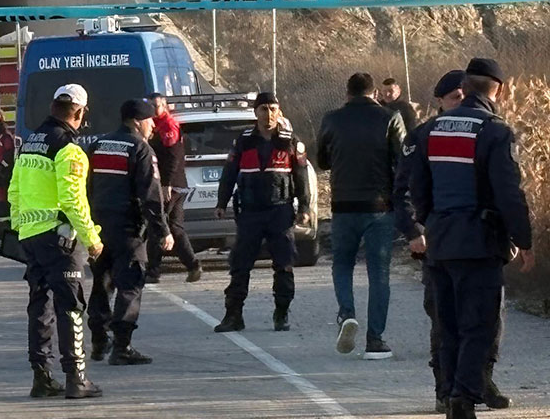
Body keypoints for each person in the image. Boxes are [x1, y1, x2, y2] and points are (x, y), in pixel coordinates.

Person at [408, 58, 535, 419]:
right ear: (500, 89)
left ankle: (450, 393)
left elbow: (417, 188)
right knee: (479, 324)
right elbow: (509, 193)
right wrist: (523, 241)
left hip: (441, 241)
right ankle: (462, 399)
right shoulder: (494, 131)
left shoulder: (428, 130)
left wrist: (431, 222)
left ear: (465, 85)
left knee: (447, 325)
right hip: (480, 242)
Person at [9, 84, 104, 400]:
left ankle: (42, 377)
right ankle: (77, 378)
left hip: (31, 239)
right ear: (79, 112)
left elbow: (15, 192)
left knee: (40, 305)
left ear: (53, 107)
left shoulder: (29, 145)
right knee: (72, 307)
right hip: (62, 240)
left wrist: (20, 230)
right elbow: (73, 199)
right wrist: (92, 239)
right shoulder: (69, 149)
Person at [315, 73, 407, 359]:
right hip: (379, 207)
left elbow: (322, 161)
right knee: (378, 273)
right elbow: (402, 159)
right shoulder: (390, 118)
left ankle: (346, 313)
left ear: (347, 92)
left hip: (343, 205)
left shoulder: (331, 119)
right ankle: (375, 340)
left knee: (342, 264)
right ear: (374, 92)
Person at [213, 92, 312, 333]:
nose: (268, 114)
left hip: (280, 211)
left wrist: (305, 207)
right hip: (250, 212)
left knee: (284, 263)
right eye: (263, 109)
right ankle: (233, 315)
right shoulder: (244, 141)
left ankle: (281, 312)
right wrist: (221, 202)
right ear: (255, 113)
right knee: (240, 264)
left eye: (272, 109)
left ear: (279, 112)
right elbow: (229, 173)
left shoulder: (290, 141)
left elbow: (301, 178)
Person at [85, 99, 173, 366]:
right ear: (137, 121)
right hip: (127, 228)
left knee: (101, 284)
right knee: (130, 284)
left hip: (97, 226)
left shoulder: (98, 145)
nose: (153, 128)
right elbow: (150, 195)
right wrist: (163, 231)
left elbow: (85, 186)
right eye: (150, 122)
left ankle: (99, 340)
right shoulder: (140, 149)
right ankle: (121, 345)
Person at [143, 93, 202, 284]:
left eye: (157, 106)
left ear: (165, 106)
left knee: (158, 225)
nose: (154, 109)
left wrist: (166, 183)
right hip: (174, 184)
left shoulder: (168, 126)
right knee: (175, 227)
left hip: (170, 185)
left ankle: (153, 271)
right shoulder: (154, 124)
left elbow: (173, 156)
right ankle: (193, 265)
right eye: (151, 106)